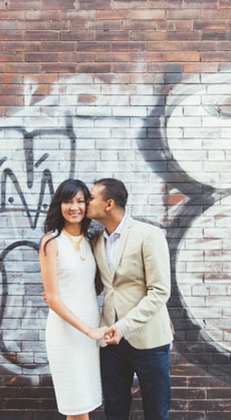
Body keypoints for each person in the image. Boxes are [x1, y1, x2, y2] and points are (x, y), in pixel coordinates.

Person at [87, 178, 174, 420]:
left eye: (92, 197)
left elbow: (159, 291)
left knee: (156, 412)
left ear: (109, 204)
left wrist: (123, 327)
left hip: (148, 340)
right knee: (114, 410)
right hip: (111, 343)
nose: (86, 202)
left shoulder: (148, 235)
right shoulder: (95, 242)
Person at [39, 178, 108, 419]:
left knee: (84, 405)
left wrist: (95, 329)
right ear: (59, 205)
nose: (74, 207)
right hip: (67, 334)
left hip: (90, 334)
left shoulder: (92, 241)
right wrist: (89, 330)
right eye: (68, 201)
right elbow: (52, 298)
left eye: (80, 201)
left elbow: (93, 287)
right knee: (76, 405)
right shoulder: (51, 242)